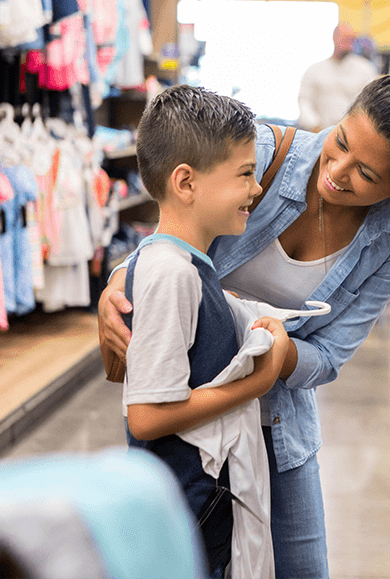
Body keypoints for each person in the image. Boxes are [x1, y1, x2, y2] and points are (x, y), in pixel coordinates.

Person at [99, 74, 390, 579]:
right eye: (340, 141)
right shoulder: (256, 153)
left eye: (365, 174)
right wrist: (121, 278)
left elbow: (328, 356)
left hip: (277, 424)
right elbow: (174, 227)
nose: (337, 171)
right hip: (188, 417)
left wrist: (277, 357)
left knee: (301, 566)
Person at [119, 84, 290, 579]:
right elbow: (146, 416)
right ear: (186, 183)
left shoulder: (189, 268)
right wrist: (256, 383)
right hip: (188, 506)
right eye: (244, 175)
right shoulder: (171, 273)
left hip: (197, 502)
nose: (256, 190)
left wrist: (229, 311)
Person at [296, 22, 379, 132]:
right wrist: (314, 125)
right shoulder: (314, 70)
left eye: (350, 40)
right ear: (334, 38)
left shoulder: (366, 70)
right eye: (344, 39)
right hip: (320, 133)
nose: (347, 44)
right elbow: (304, 101)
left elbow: (373, 103)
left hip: (353, 134)